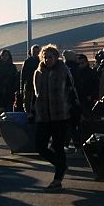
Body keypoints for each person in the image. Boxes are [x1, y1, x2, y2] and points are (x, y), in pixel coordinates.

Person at [34, 44, 77, 189]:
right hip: (43, 115)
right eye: (45, 57)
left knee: (58, 147)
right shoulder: (38, 72)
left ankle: (58, 179)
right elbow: (35, 94)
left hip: (60, 114)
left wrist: (74, 109)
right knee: (40, 146)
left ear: (56, 57)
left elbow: (72, 91)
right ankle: (61, 165)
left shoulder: (63, 71)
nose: (47, 60)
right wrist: (32, 111)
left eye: (50, 57)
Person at [0, 49, 19, 116]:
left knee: (8, 113)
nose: (5, 57)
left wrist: (13, 88)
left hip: (9, 93)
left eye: (6, 55)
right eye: (3, 55)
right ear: (1, 56)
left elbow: (15, 79)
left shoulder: (12, 67)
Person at [20, 44, 41, 114]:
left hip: (39, 86)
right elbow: (23, 76)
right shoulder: (27, 62)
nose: (36, 53)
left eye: (37, 52)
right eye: (34, 52)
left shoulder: (42, 62)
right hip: (29, 86)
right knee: (28, 104)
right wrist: (21, 89)